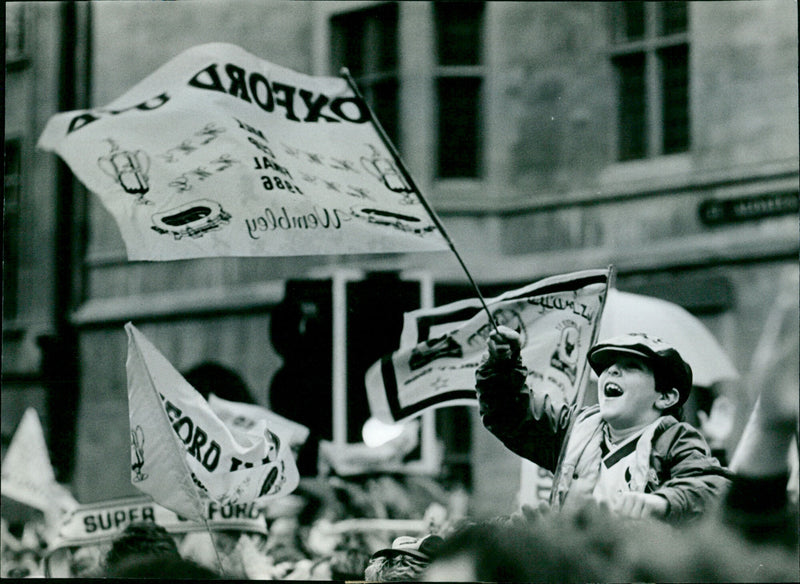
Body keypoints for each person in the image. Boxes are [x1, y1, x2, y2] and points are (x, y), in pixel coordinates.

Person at [476, 328, 731, 523]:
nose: (611, 372)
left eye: (631, 366)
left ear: (665, 397)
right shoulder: (573, 429)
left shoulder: (676, 439)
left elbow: (712, 486)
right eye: (608, 367)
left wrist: (663, 502)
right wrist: (502, 366)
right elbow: (510, 414)